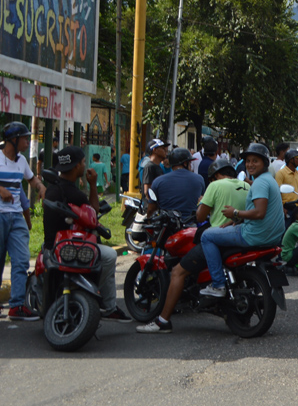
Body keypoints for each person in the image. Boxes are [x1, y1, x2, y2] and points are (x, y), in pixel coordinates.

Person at [136, 157, 249, 334]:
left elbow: (200, 217)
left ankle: (163, 321)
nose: (211, 181)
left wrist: (201, 202)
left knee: (177, 272)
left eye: (212, 178)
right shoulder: (246, 186)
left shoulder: (215, 185)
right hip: (239, 236)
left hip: (217, 238)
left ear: (217, 175)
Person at [44, 145, 130, 322]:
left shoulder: (53, 189)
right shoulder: (75, 194)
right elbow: (93, 213)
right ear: (76, 166)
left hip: (51, 247)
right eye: (83, 162)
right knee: (109, 256)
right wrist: (92, 185)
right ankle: (105, 303)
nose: (85, 165)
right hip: (72, 247)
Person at [199, 143, 284, 298]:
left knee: (206, 236)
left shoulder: (260, 182)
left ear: (264, 162)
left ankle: (218, 285)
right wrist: (237, 219)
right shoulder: (268, 179)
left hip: (254, 234)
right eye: (248, 161)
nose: (250, 165)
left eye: (255, 161)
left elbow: (259, 213)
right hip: (271, 236)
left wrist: (235, 212)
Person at [1, 122, 46, 321]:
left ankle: (17, 306)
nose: (28, 142)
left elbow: (32, 180)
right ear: (14, 139)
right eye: (25, 138)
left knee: (21, 260)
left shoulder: (21, 162)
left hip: (16, 216)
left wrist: (41, 188)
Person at [148, 148, 206, 216]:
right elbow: (201, 202)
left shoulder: (158, 181)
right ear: (185, 163)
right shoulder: (199, 179)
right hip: (191, 223)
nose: (191, 166)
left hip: (166, 223)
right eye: (190, 163)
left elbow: (151, 209)